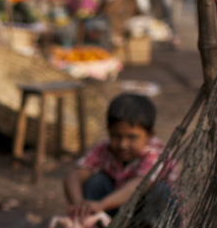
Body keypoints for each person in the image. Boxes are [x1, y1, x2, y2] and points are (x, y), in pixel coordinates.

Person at [64, 93, 167, 221]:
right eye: (116, 136)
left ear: (150, 134)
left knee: (159, 191)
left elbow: (139, 185)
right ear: (108, 131)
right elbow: (74, 177)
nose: (123, 145)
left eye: (132, 137)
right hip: (120, 215)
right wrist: (79, 204)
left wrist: (102, 204)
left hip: (150, 219)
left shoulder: (156, 153)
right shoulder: (104, 149)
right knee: (95, 182)